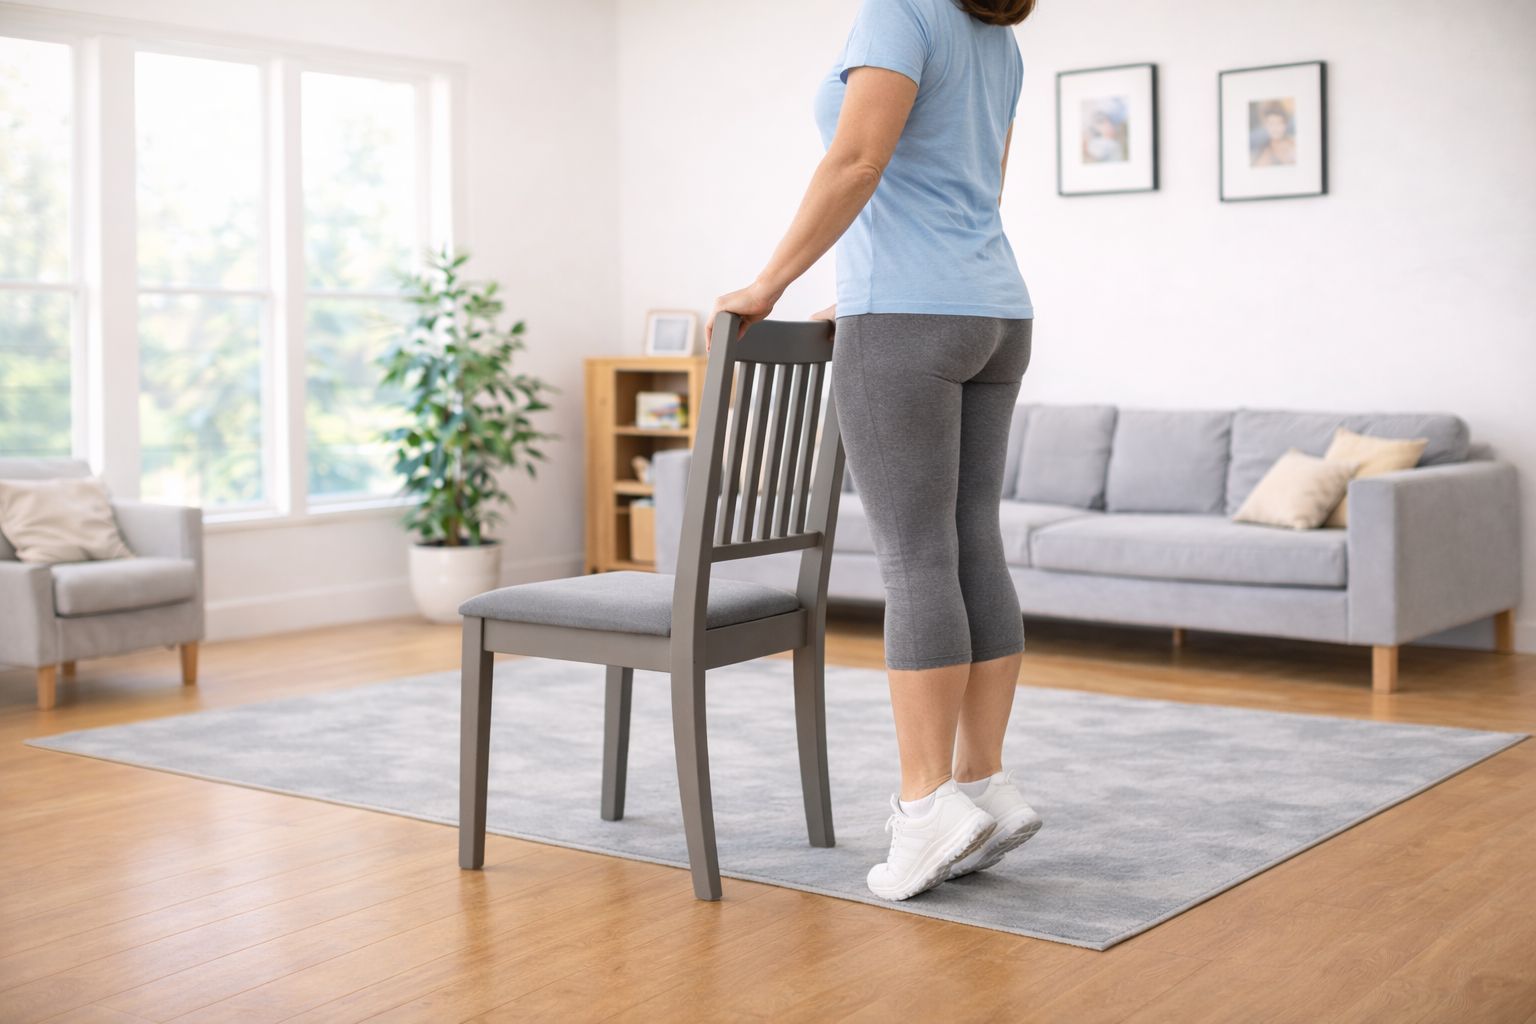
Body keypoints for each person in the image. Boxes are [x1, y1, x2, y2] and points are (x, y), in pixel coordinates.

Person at [707, 0, 1040, 902]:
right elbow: (975, 188)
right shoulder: (997, 38)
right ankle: (983, 783)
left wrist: (772, 282)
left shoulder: (902, 9)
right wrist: (863, 288)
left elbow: (859, 158)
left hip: (912, 319)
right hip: (995, 311)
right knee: (972, 540)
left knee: (916, 558)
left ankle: (926, 807)